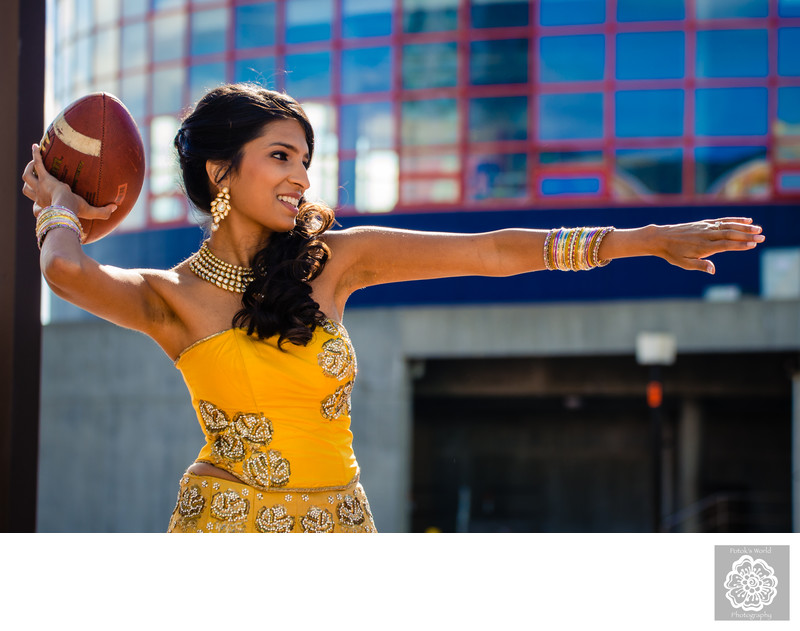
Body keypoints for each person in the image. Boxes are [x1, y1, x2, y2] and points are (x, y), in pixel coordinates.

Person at [22, 83, 766, 533]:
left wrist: (644, 238)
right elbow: (66, 272)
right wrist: (59, 204)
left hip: (343, 528)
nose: (300, 176)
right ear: (222, 170)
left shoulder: (337, 260)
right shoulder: (170, 298)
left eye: (306, 160)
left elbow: (493, 251)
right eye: (281, 155)